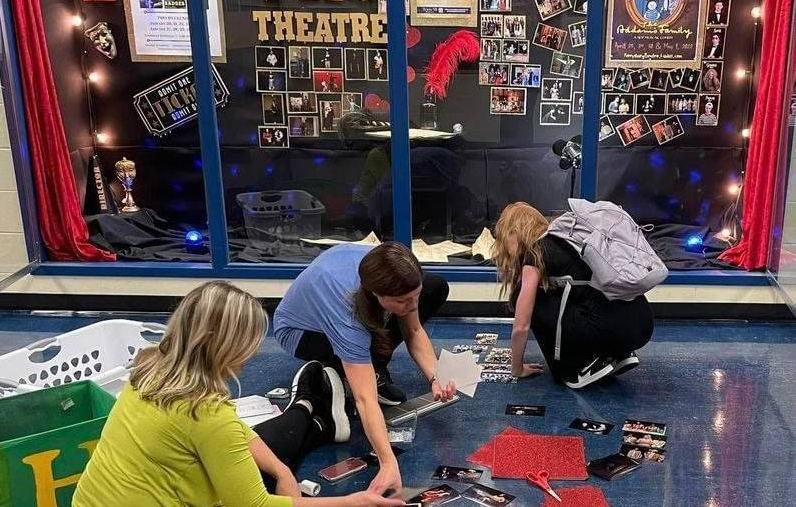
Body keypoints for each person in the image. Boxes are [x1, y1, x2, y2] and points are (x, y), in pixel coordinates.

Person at [73, 282, 401, 507]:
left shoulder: (150, 367)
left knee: (268, 451)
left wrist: (281, 471)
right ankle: (309, 409)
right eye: (248, 343)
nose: (252, 353)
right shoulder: (206, 414)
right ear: (224, 346)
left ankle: (309, 409)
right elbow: (253, 504)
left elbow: (234, 432)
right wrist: (352, 502)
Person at [273, 242, 454, 495]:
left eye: (415, 295)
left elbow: (413, 330)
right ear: (376, 295)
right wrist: (388, 462)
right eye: (402, 300)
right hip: (302, 333)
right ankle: (340, 372)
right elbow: (365, 399)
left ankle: (367, 364)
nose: (413, 306)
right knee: (362, 361)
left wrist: (436, 376)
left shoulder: (386, 268)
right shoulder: (347, 313)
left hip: (356, 310)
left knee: (436, 286)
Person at [493, 203, 654, 389]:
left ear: (515, 231)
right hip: (642, 325)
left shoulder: (536, 252)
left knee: (527, 298)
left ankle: (572, 369)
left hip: (610, 327)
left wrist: (517, 368)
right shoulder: (570, 240)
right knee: (573, 296)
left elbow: (521, 325)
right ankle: (614, 353)